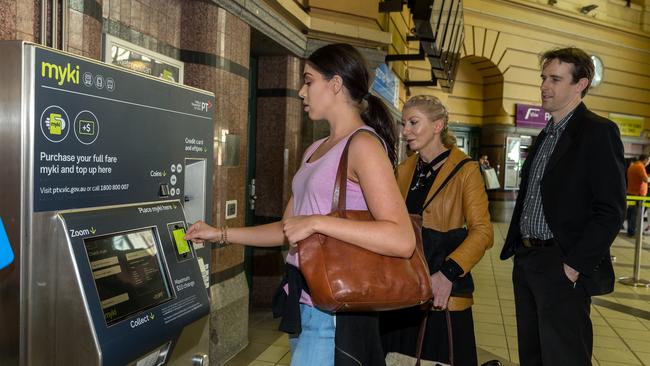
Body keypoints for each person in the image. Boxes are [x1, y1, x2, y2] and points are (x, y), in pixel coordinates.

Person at [185, 43, 415, 366]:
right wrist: (220, 234)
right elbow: (287, 229)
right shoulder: (315, 149)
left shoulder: (363, 145)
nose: (300, 91)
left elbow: (402, 239)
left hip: (333, 314)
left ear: (335, 84)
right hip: (303, 302)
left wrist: (317, 222)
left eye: (308, 81)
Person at [500, 47, 626, 366]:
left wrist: (574, 266)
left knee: (564, 356)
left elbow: (610, 210)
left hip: (561, 262)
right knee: (533, 354)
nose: (545, 86)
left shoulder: (597, 132)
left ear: (581, 84)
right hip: (528, 260)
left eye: (555, 79)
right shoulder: (546, 135)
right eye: (544, 77)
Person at [380, 95, 494, 365]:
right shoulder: (404, 169)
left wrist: (448, 272)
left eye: (413, 122)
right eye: (404, 123)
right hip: (404, 288)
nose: (405, 130)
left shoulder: (466, 171)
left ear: (438, 125)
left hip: (443, 291)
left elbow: (482, 231)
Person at [625, 154, 650, 237]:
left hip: (632, 192)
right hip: (638, 195)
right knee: (636, 215)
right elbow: (646, 179)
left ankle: (630, 231)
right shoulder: (640, 166)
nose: (649, 162)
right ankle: (632, 232)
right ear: (645, 159)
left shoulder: (633, 166)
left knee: (631, 214)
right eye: (649, 160)